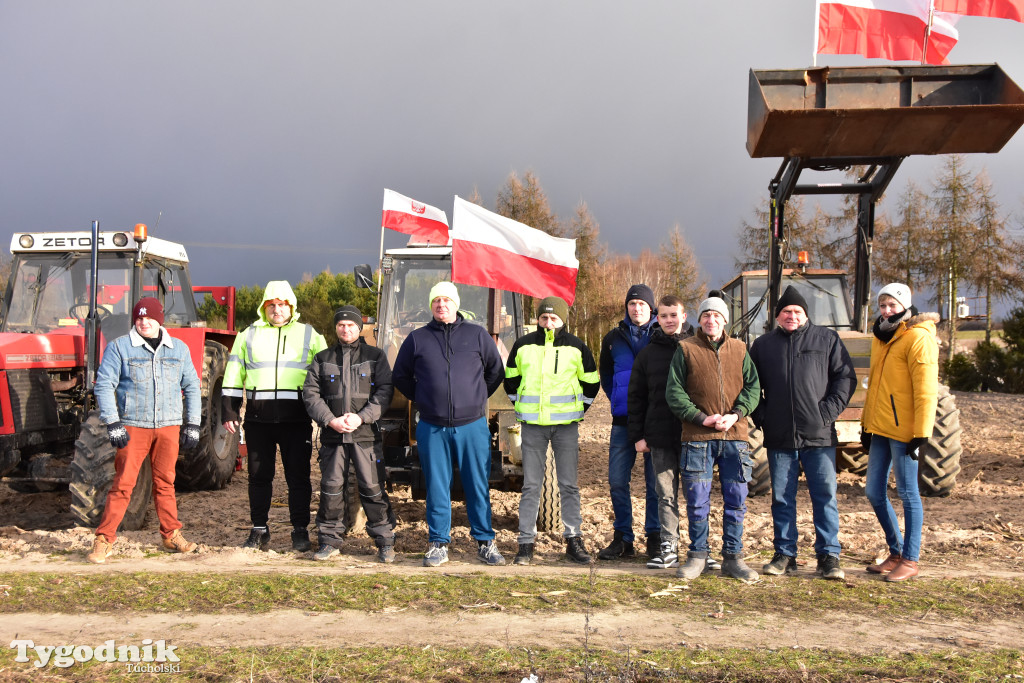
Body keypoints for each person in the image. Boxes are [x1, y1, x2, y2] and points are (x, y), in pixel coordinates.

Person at [391, 281, 506, 567]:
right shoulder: (417, 339)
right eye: (436, 301)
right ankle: (438, 543)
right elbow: (401, 376)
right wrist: (423, 398)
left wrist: (475, 398)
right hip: (432, 427)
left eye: (446, 300)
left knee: (476, 484)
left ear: (456, 304)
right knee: (437, 485)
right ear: (431, 306)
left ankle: (485, 542)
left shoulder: (478, 336)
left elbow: (495, 372)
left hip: (472, 426)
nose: (441, 305)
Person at [749, 286, 856, 580]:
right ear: (778, 316)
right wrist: (764, 418)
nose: (791, 316)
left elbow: (845, 378)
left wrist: (826, 414)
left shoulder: (826, 339)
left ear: (806, 314)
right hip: (780, 436)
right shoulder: (763, 345)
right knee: (782, 498)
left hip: (818, 436)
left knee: (825, 496)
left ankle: (829, 556)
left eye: (797, 312)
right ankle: (785, 554)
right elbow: (750, 385)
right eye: (786, 312)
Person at [86, 297, 201, 563]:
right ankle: (104, 540)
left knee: (166, 483)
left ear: (160, 320)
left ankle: (171, 534)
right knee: (123, 484)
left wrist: (192, 423)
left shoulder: (179, 349)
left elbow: (193, 386)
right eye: (139, 318)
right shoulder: (120, 348)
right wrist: (113, 422)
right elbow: (104, 385)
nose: (144, 322)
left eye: (149, 318)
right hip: (134, 425)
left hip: (168, 426)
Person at [222, 281, 327, 553]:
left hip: (297, 420)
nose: (277, 310)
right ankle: (259, 529)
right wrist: (229, 409)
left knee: (299, 478)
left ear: (291, 307)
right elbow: (234, 373)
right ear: (264, 308)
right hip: (258, 420)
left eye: (282, 305)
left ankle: (300, 530)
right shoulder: (248, 334)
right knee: (258, 477)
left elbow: (326, 376)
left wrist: (328, 412)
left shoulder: (310, 334)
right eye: (272, 305)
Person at [666, 296, 761, 581]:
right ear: (700, 319)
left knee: (736, 498)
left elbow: (753, 388)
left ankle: (733, 557)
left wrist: (736, 414)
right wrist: (701, 418)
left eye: (717, 316)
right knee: (697, 499)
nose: (711, 320)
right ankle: (698, 556)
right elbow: (674, 392)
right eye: (706, 315)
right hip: (698, 437)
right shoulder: (686, 349)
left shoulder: (740, 349)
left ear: (725, 320)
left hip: (735, 437)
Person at [504, 296, 600, 565]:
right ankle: (525, 544)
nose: (548, 323)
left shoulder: (577, 347)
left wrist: (578, 410)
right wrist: (523, 406)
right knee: (531, 485)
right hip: (533, 427)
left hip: (565, 427)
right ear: (538, 319)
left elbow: (591, 383)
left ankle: (573, 539)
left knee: (568, 485)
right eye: (544, 318)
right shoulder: (523, 346)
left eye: (553, 318)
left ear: (563, 319)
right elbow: (510, 382)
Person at [302, 305, 395, 562]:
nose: (346, 329)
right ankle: (329, 541)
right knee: (331, 489)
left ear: (358, 327)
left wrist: (361, 417)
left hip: (365, 436)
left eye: (351, 325)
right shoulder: (323, 358)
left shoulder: (375, 356)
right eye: (341, 325)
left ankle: (385, 541)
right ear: (336, 328)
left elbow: (384, 391)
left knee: (373, 488)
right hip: (333, 438)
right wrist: (330, 420)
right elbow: (311, 394)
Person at [861, 283, 938, 582]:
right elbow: (875, 387)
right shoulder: (881, 336)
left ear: (904, 306)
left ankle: (911, 559)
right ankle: (895, 551)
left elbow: (925, 391)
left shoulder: (917, 337)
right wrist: (866, 425)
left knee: (908, 493)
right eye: (882, 305)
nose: (887, 310)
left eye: (892, 305)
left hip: (906, 431)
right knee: (873, 491)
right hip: (881, 427)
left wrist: (921, 434)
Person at [627, 294, 703, 570]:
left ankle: (700, 547)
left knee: (697, 493)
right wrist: (638, 436)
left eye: (674, 315)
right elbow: (636, 397)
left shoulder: (698, 349)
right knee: (665, 494)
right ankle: (668, 545)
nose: (669, 320)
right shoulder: (648, 353)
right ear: (657, 319)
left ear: (684, 317)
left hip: (694, 436)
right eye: (664, 316)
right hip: (659, 437)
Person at [598, 283, 661, 560]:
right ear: (627, 307)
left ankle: (655, 537)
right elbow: (607, 375)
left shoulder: (663, 335)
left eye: (642, 304)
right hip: (623, 421)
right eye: (632, 304)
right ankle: (623, 537)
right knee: (616, 480)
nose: (637, 309)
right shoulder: (613, 338)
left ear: (651, 308)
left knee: (655, 483)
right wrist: (617, 400)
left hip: (656, 421)